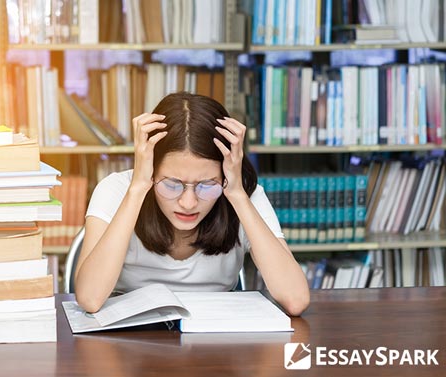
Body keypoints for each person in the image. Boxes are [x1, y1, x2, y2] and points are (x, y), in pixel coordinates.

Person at [74, 92, 310, 316]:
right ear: (151, 170)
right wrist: (138, 189)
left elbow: (295, 299)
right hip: (130, 339)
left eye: (207, 185)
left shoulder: (242, 194)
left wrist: (237, 194)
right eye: (172, 184)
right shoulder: (117, 190)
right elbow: (90, 298)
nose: (188, 203)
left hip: (214, 338)